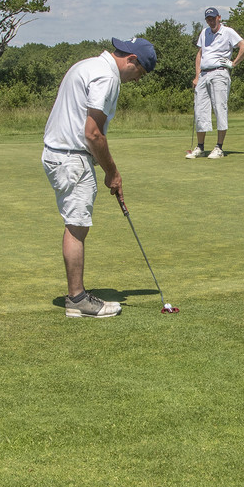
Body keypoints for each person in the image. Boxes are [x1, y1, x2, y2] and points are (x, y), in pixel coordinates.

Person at [42, 36, 158, 317]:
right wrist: (113, 173)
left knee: (76, 223)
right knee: (77, 225)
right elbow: (93, 133)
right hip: (71, 158)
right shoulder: (107, 77)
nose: (137, 80)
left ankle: (77, 296)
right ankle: (77, 300)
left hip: (60, 153)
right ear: (131, 60)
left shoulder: (87, 65)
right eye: (139, 73)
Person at [185, 7, 244, 159]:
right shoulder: (204, 33)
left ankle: (219, 148)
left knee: (220, 108)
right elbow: (199, 54)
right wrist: (196, 76)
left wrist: (233, 63)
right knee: (200, 110)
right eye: (208, 19)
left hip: (220, 73)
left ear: (219, 17)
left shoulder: (228, 31)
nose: (211, 21)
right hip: (204, 74)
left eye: (213, 18)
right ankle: (200, 147)